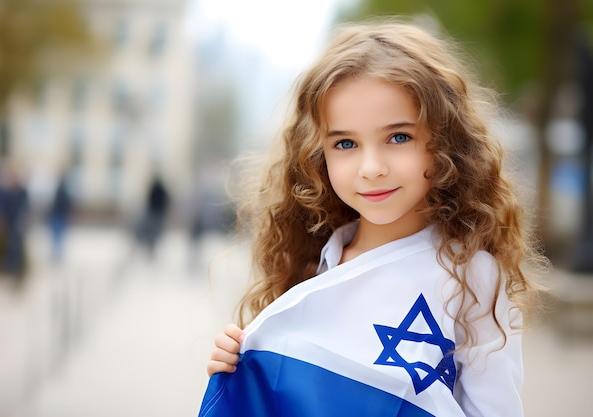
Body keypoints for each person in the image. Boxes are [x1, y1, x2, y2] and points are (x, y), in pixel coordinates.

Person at [200, 17, 548, 417]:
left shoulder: (472, 276)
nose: (371, 167)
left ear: (446, 141)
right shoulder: (315, 264)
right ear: (318, 156)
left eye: (398, 137)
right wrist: (236, 364)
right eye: (345, 143)